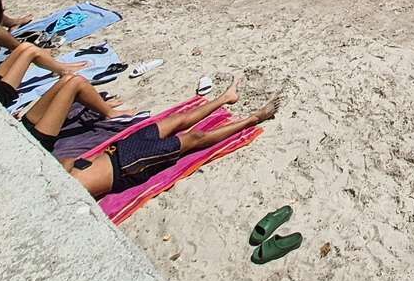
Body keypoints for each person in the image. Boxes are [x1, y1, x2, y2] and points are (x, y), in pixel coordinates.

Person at [61, 83, 276, 198]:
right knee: (193, 138)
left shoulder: (58, 176)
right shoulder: (66, 194)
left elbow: (68, 161)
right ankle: (253, 119)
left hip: (118, 150)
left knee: (176, 120)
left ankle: (226, 98)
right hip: (129, 167)